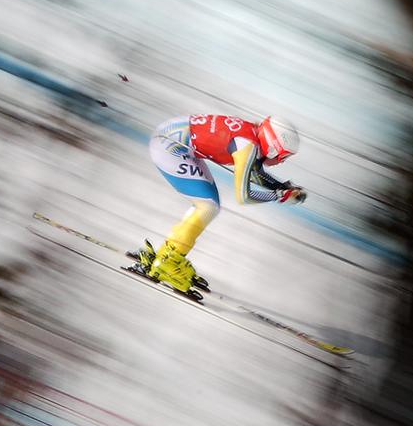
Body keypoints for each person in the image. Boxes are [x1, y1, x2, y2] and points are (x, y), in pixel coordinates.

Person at [128, 114, 306, 295]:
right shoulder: (248, 148)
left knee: (209, 204)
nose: (282, 162)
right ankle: (169, 262)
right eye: (283, 156)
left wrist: (282, 187)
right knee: (208, 206)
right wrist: (278, 196)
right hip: (170, 148)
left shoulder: (251, 136)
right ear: (274, 148)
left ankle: (167, 254)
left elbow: (254, 172)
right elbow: (244, 196)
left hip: (172, 139)